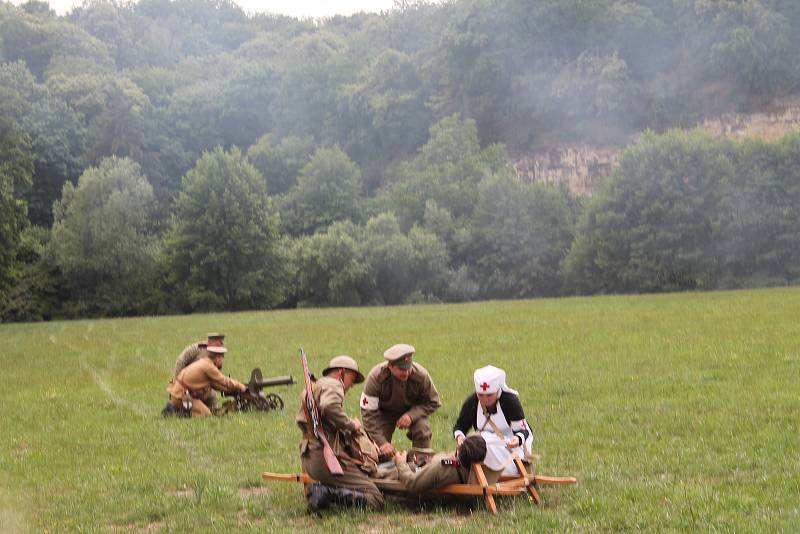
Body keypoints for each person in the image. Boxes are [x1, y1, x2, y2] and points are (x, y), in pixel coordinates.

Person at [296, 355, 384, 514]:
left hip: (309, 455)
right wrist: (351, 425)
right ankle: (326, 492)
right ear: (342, 372)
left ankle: (320, 490)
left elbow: (322, 418)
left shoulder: (317, 384)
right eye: (352, 378)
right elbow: (329, 407)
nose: (350, 386)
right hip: (324, 458)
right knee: (375, 498)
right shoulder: (334, 384)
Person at [360, 343, 442, 458]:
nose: (407, 372)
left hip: (413, 411)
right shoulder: (376, 377)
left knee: (423, 430)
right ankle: (381, 469)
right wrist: (382, 442)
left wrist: (411, 415)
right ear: (390, 366)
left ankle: (422, 465)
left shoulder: (421, 375)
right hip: (384, 413)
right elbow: (368, 413)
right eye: (402, 369)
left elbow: (433, 401)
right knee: (376, 445)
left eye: (409, 368)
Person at [452, 365, 534, 476]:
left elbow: (523, 430)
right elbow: (460, 426)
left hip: (512, 448)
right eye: (481, 395)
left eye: (489, 395)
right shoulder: (472, 402)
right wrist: (460, 437)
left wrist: (517, 439)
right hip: (482, 446)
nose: (485, 399)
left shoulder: (510, 401)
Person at [165, 344, 246, 416]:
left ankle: (179, 408)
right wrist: (241, 386)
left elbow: (215, 384)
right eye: (222, 357)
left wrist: (232, 390)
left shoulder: (205, 362)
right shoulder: (208, 367)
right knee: (206, 414)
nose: (222, 360)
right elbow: (224, 380)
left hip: (179, 394)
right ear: (217, 358)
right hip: (181, 396)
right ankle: (174, 413)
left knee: (211, 410)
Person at [392, 435, 487, 493]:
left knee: (385, 469)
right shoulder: (476, 464)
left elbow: (412, 483)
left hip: (409, 472)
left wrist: (401, 463)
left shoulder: (443, 467)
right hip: (424, 465)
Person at [172, 333, 226, 411]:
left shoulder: (217, 354)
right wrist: (179, 384)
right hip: (187, 386)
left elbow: (215, 375)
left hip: (203, 386)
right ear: (210, 342)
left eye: (221, 343)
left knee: (213, 402)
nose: (221, 344)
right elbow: (180, 362)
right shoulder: (196, 348)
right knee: (187, 406)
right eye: (218, 343)